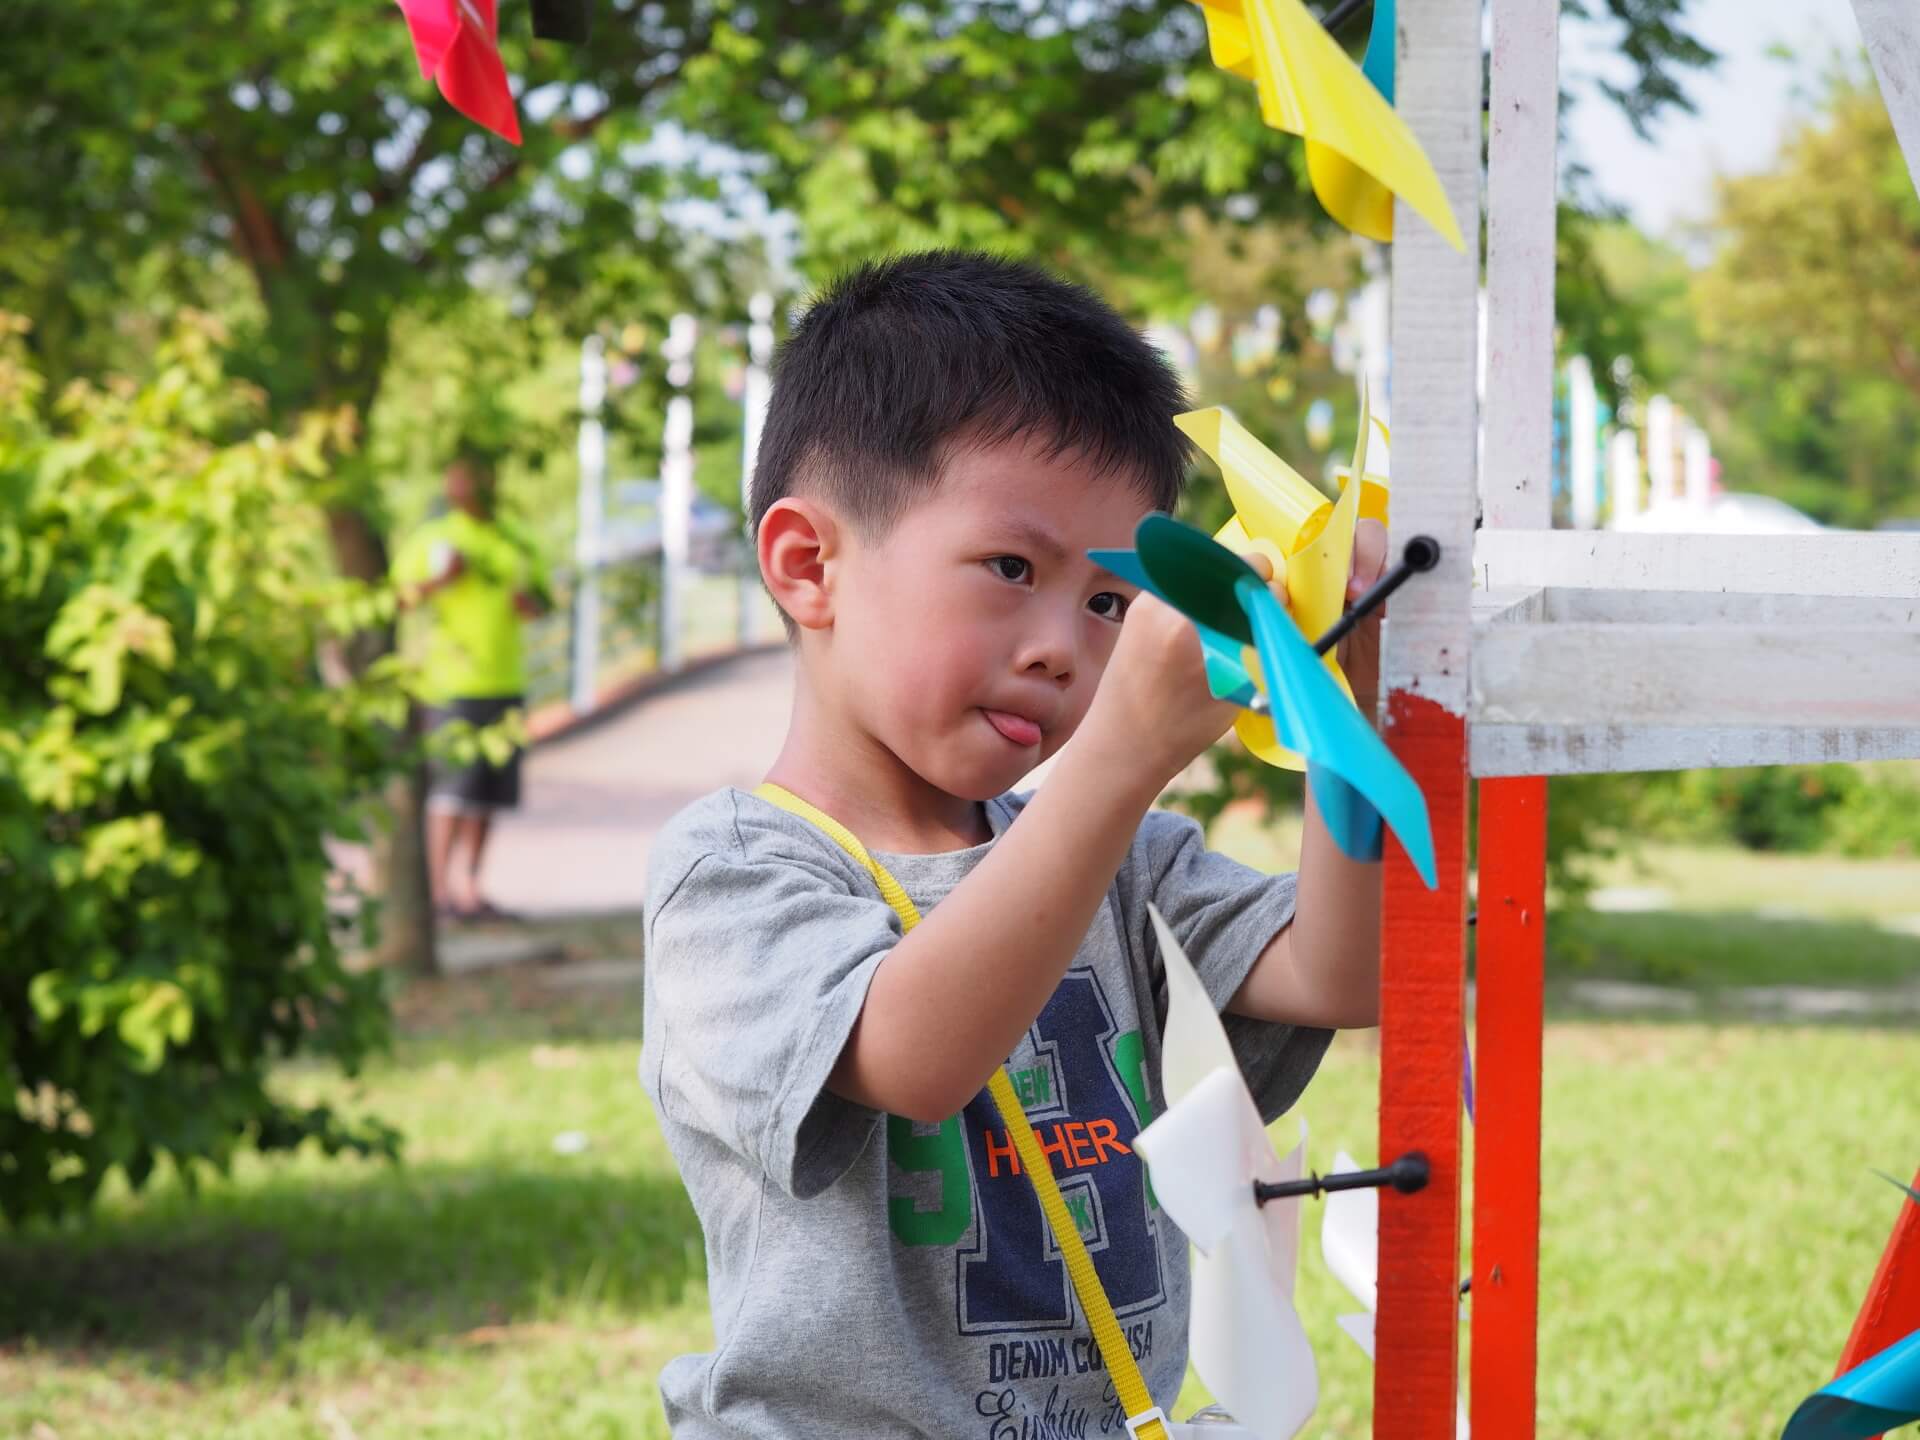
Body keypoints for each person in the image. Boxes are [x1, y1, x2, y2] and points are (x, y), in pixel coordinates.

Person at [640, 251, 1388, 1438]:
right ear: (809, 566)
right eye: (1010, 569)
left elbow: (1346, 972)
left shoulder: (1123, 857)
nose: (1062, 649)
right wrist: (1125, 754)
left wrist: (1353, 701)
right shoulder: (731, 876)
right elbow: (915, 1055)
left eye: (1108, 602)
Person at [393, 444, 552, 922]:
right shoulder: (435, 538)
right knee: (450, 792)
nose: (462, 487)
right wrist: (440, 580)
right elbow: (396, 599)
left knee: (487, 794)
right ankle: (438, 894)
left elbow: (544, 599)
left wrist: (530, 605)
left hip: (505, 680)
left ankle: (470, 890)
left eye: (473, 477)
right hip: (449, 684)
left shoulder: (515, 538)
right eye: (456, 477)